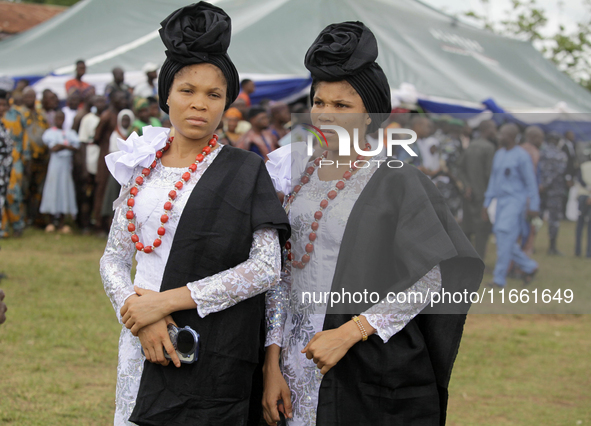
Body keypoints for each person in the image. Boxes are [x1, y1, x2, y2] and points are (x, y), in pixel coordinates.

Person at [262, 21, 483, 426]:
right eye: (320, 102)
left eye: (342, 106)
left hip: (357, 358)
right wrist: (271, 363)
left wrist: (349, 333)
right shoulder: (299, 175)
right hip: (292, 356)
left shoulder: (397, 180)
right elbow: (280, 273)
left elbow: (429, 279)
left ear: (371, 115)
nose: (326, 115)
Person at [99, 3, 289, 425]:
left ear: (227, 104)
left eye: (213, 94)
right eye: (187, 90)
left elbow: (265, 268)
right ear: (166, 94)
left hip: (211, 347)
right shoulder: (142, 165)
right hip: (138, 338)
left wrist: (164, 304)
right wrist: (137, 315)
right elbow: (113, 257)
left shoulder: (244, 171)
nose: (198, 104)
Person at [483, 123, 539, 287]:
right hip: (500, 202)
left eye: (504, 134)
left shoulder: (522, 156)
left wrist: (534, 205)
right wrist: (486, 203)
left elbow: (531, 182)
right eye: (499, 133)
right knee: (503, 239)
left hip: (516, 201)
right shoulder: (499, 154)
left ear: (513, 137)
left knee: (503, 234)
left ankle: (499, 279)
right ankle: (530, 266)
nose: (500, 136)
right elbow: (493, 181)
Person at [458, 119, 497, 260]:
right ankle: (479, 260)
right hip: (483, 195)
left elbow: (460, 168)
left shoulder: (471, 146)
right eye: (494, 128)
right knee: (482, 230)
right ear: (488, 129)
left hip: (469, 195)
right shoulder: (489, 148)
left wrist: (466, 186)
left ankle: (466, 260)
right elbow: (490, 174)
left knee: (467, 228)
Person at [93, 91, 128, 233]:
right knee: (102, 188)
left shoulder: (122, 117)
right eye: (119, 98)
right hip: (107, 156)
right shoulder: (107, 116)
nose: (123, 100)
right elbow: (96, 136)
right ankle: (98, 222)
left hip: (119, 159)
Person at [39, 110, 79, 233]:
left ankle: (62, 223)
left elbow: (75, 146)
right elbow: (54, 148)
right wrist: (66, 146)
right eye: (58, 118)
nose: (60, 120)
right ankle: (50, 222)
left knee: (64, 190)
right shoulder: (49, 133)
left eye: (62, 118)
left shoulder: (70, 133)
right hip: (54, 166)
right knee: (53, 189)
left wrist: (62, 146)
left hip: (66, 167)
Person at [78, 95, 107, 232]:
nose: (100, 103)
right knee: (87, 193)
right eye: (98, 101)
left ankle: (97, 221)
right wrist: (84, 165)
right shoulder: (88, 119)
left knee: (98, 192)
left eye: (102, 101)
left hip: (101, 157)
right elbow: (83, 142)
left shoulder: (106, 117)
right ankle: (84, 223)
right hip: (90, 155)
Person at [0, 90, 28, 238]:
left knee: (13, 194)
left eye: (4, 104)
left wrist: (26, 155)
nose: (2, 108)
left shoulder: (16, 116)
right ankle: (3, 229)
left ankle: (17, 225)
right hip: (3, 166)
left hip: (13, 163)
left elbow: (24, 136)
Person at [21, 87, 50, 227]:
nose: (29, 99)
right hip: (26, 158)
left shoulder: (41, 114)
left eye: (32, 96)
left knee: (39, 189)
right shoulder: (19, 114)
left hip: (42, 158)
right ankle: (24, 218)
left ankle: (37, 218)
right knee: (25, 188)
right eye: (27, 97)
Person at [101, 109, 134, 225]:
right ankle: (109, 223)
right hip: (117, 170)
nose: (125, 122)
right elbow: (113, 152)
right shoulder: (115, 134)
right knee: (113, 195)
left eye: (127, 120)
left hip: (130, 171)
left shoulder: (133, 134)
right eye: (123, 120)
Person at [539, 132, 568, 256]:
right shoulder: (561, 155)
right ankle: (552, 247)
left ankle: (529, 243)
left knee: (536, 218)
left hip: (540, 191)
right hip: (555, 192)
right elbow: (558, 172)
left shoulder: (541, 153)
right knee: (554, 220)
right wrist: (547, 184)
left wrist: (542, 185)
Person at [520, 125, 544, 256]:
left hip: (517, 199)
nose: (542, 142)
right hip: (528, 199)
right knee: (528, 231)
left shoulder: (517, 150)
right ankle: (522, 264)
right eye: (541, 138)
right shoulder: (533, 152)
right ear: (534, 137)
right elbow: (532, 180)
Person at [575, 154, 591, 257]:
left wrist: (587, 188)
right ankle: (588, 253)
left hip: (582, 196)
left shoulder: (583, 166)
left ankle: (578, 251)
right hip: (588, 196)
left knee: (580, 224)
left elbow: (579, 179)